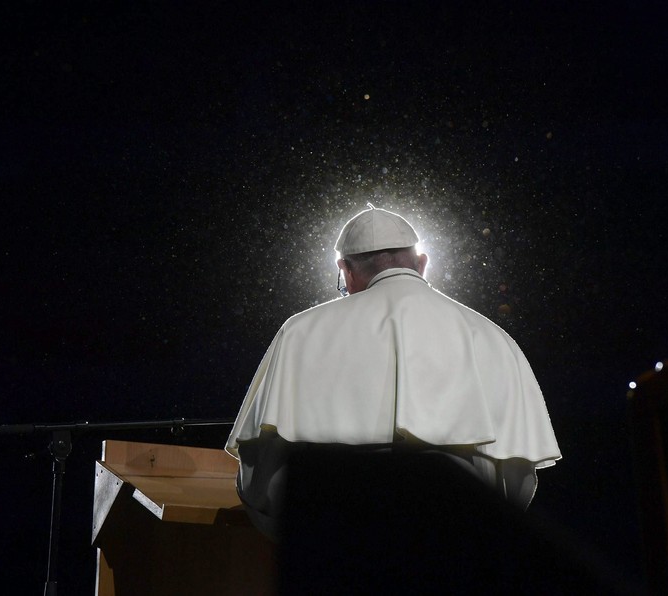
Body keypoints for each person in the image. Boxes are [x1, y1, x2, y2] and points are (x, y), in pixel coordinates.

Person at [225, 204, 561, 540]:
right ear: (422, 264)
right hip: (454, 546)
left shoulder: (300, 332)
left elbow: (261, 475)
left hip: (334, 545)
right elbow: (516, 482)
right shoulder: (492, 338)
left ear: (346, 270)